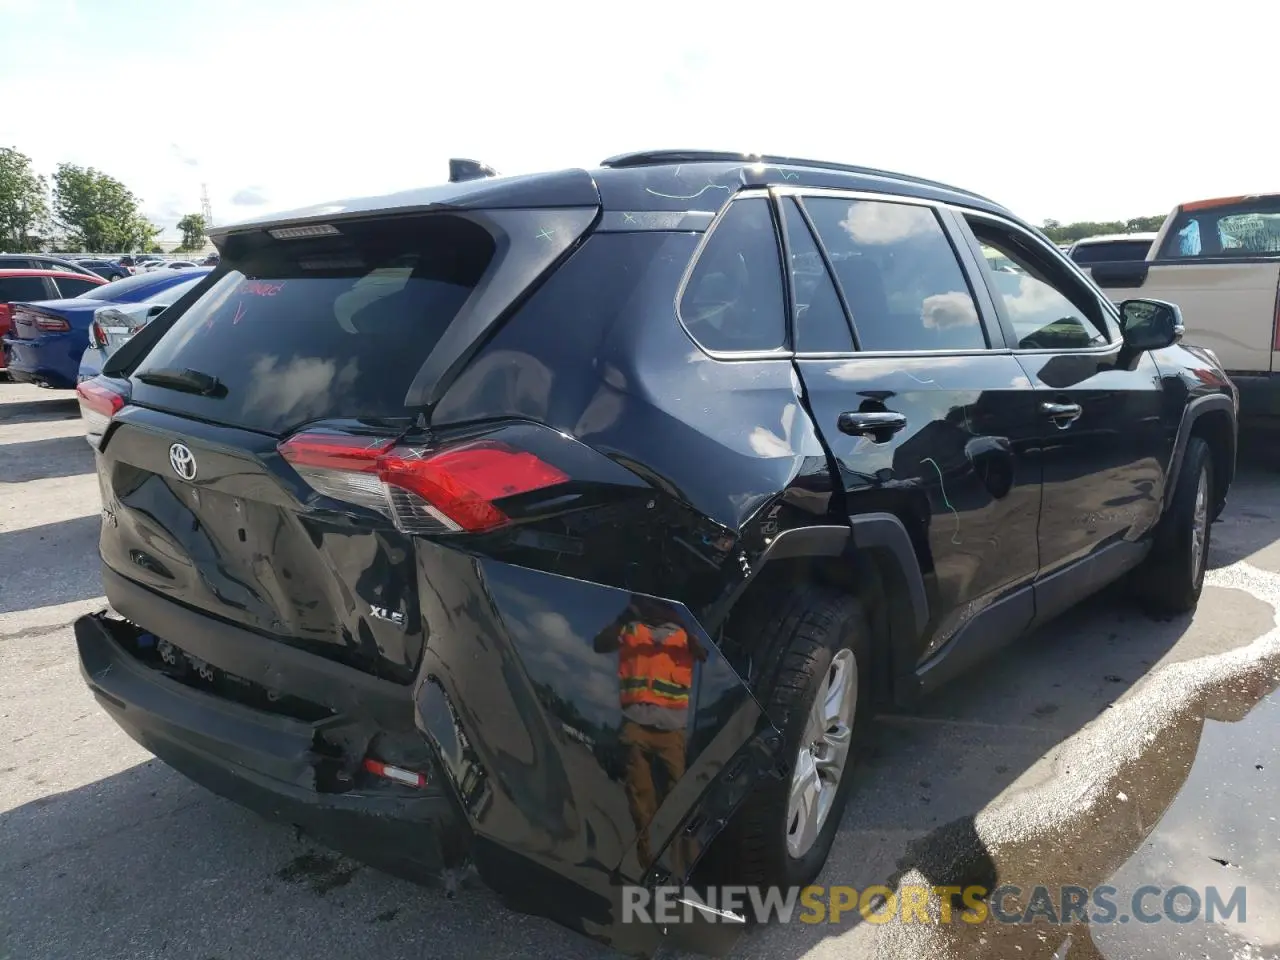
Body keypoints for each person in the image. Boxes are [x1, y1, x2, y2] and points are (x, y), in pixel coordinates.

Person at [594, 596, 707, 867]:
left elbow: (703, 653)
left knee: (679, 797)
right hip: (636, 725)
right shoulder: (631, 630)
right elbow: (600, 644)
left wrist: (684, 624)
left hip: (672, 731)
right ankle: (649, 862)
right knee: (640, 797)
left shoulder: (683, 635)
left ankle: (683, 861)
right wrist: (625, 616)